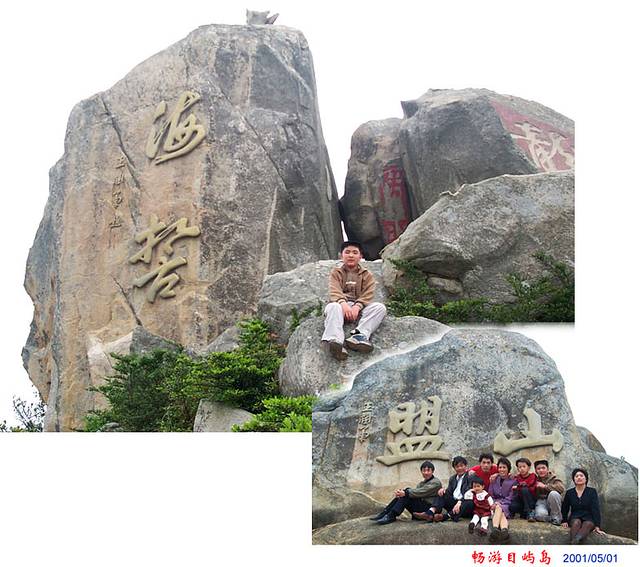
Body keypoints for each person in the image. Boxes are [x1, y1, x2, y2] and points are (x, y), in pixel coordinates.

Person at [321, 241, 387, 360]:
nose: (351, 255)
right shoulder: (336, 272)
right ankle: (335, 341)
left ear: (360, 256)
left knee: (379, 308)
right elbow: (334, 291)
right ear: (341, 255)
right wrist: (343, 304)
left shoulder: (367, 275)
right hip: (340, 307)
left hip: (358, 310)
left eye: (355, 252)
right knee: (333, 307)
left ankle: (359, 336)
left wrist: (357, 306)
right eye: (347, 252)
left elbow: (368, 294)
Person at [369, 460, 442, 525]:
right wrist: (402, 493)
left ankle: (391, 516)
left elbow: (420, 492)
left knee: (406, 494)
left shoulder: (436, 482)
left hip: (429, 510)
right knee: (403, 494)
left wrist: (405, 492)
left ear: (432, 471)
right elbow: (415, 494)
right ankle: (384, 513)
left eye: (428, 470)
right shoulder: (421, 483)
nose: (426, 473)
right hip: (420, 508)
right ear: (421, 472)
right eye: (424, 470)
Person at [421, 456, 474, 522]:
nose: (459, 468)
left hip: (464, 504)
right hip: (454, 503)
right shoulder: (452, 478)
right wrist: (443, 490)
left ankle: (446, 516)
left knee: (469, 502)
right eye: (457, 466)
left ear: (466, 466)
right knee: (442, 493)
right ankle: (430, 513)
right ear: (454, 468)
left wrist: (460, 502)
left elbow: (469, 492)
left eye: (461, 466)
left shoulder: (470, 476)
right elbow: (449, 492)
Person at [561, 468, 604, 544]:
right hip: (575, 516)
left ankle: (574, 542)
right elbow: (565, 507)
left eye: (581, 476)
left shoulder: (592, 491)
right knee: (576, 522)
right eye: (576, 476)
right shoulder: (569, 492)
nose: (579, 477)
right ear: (574, 479)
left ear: (586, 478)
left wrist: (597, 526)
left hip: (589, 517)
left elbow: (595, 508)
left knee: (587, 524)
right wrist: (564, 520)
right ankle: (574, 542)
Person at [488, 457, 518, 543]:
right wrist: (493, 503)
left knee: (499, 508)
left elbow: (511, 497)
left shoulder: (513, 480)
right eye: (500, 467)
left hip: (507, 504)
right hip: (494, 504)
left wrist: (499, 503)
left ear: (508, 469)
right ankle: (504, 531)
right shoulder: (494, 479)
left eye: (504, 467)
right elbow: (490, 495)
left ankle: (495, 529)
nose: (501, 469)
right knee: (501, 512)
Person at [533, 459, 565, 525]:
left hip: (553, 502)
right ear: (536, 471)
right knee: (539, 516)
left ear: (547, 469)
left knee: (553, 494)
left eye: (543, 468)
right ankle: (551, 518)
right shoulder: (534, 479)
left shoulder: (554, 478)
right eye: (538, 469)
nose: (541, 470)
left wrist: (545, 486)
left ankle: (556, 518)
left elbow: (561, 488)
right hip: (541, 502)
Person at [509, 457, 538, 521]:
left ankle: (530, 513)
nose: (522, 469)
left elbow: (528, 485)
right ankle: (523, 513)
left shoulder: (532, 476)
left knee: (524, 489)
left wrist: (518, 487)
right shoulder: (518, 477)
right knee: (512, 506)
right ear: (517, 469)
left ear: (529, 467)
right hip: (521, 501)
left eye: (524, 466)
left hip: (530, 500)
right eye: (520, 467)